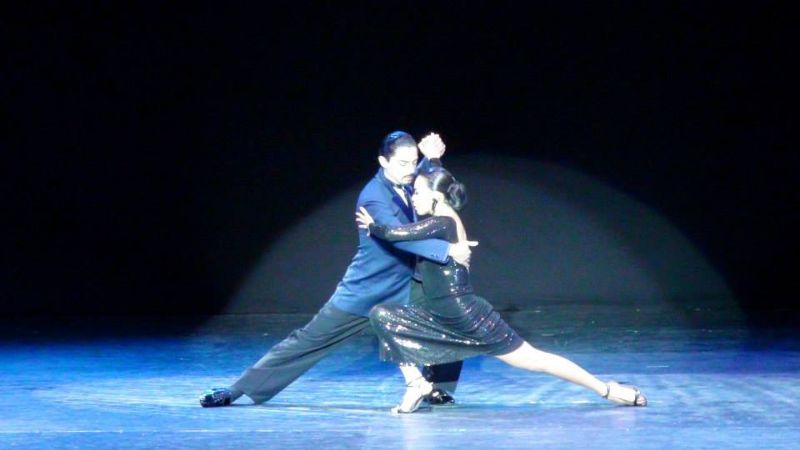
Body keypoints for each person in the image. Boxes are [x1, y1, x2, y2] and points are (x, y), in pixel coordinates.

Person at [199, 131, 472, 407]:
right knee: (309, 340)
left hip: (408, 285)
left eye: (413, 162)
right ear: (383, 162)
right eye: (403, 164)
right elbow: (400, 238)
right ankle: (237, 390)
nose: (411, 170)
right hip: (369, 290)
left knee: (452, 316)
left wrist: (432, 159)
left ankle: (438, 388)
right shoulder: (373, 197)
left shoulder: (410, 178)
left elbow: (432, 185)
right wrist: (447, 250)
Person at [355, 165, 648, 413]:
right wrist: (430, 159)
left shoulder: (442, 220)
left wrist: (373, 226)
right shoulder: (440, 221)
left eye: (418, 192)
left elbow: (397, 234)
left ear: (437, 196)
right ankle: (417, 384)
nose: (413, 197)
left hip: (466, 316)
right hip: (443, 315)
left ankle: (609, 390)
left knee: (535, 360)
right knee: (382, 315)